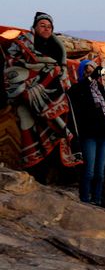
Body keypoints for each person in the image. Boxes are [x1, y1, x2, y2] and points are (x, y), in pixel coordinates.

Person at [3, 12, 81, 173]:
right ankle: (33, 170)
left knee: (57, 129)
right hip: (25, 94)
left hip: (53, 95)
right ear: (35, 27)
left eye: (49, 26)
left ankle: (49, 173)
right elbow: (12, 65)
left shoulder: (57, 48)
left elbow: (61, 72)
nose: (46, 29)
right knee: (28, 125)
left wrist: (52, 73)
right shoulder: (22, 43)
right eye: (42, 25)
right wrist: (41, 74)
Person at [68, 60, 105, 204]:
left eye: (92, 70)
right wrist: (92, 76)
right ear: (82, 72)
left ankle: (97, 200)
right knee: (89, 171)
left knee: (99, 173)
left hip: (104, 136)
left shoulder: (100, 90)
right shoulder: (78, 89)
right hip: (88, 136)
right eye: (87, 70)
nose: (90, 72)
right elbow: (75, 95)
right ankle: (85, 199)